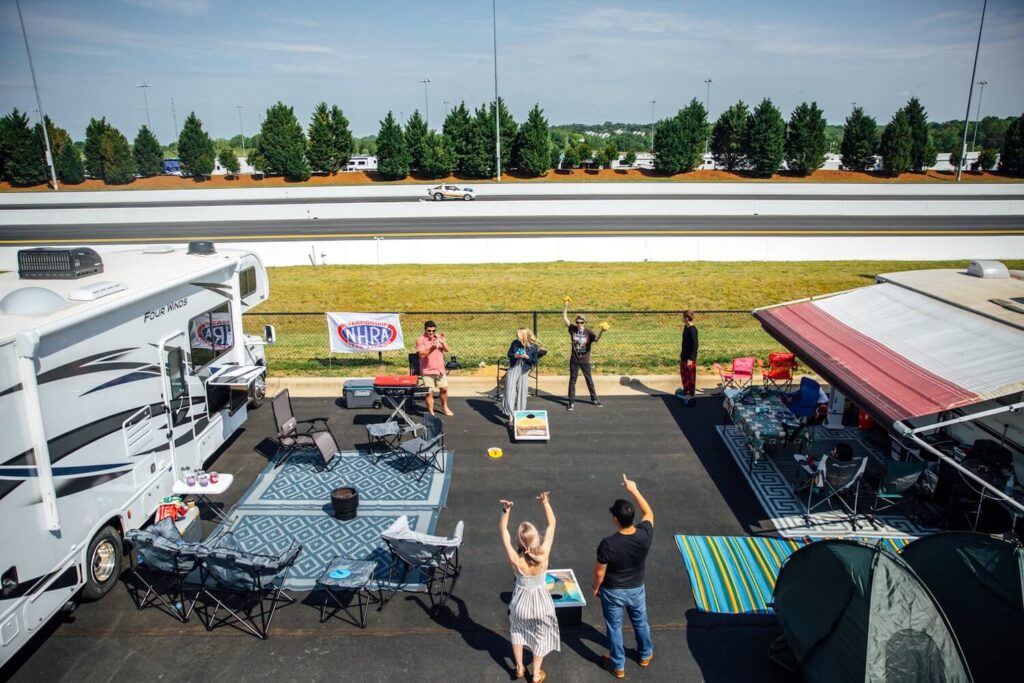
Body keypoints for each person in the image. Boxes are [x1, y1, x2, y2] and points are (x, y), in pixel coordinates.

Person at [592, 474, 654, 678]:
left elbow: (600, 572)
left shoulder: (608, 544)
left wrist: (595, 587)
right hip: (636, 588)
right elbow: (649, 512)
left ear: (615, 519)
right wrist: (633, 489)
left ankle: (618, 666)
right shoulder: (644, 533)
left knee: (614, 628)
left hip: (613, 591)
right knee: (640, 622)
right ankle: (645, 655)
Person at [500, 492, 559, 683]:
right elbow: (552, 524)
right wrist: (545, 502)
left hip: (521, 602)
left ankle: (518, 668)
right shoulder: (544, 554)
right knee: (540, 635)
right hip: (541, 601)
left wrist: (506, 511)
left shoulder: (516, 560)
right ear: (535, 538)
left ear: (519, 541)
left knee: (517, 630)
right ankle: (535, 674)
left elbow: (503, 531)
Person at [562, 300, 605, 411]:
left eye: (581, 322)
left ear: (584, 322)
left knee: (589, 380)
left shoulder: (589, 332)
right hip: (574, 360)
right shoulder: (572, 329)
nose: (579, 324)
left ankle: (594, 399)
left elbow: (597, 340)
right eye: (578, 322)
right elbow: (565, 319)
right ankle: (571, 402)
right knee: (573, 380)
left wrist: (602, 331)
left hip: (585, 360)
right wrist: (565, 306)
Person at [502, 328, 541, 427]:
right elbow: (509, 354)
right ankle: (510, 417)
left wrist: (528, 357)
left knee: (522, 393)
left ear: (524, 335)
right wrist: (515, 355)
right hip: (514, 369)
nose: (517, 337)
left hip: (524, 371)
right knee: (509, 392)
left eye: (518, 335)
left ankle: (520, 416)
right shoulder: (515, 343)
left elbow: (535, 360)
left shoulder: (533, 346)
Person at [415, 320, 454, 416]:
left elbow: (447, 350)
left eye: (433, 331)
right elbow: (422, 354)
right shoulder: (420, 340)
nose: (431, 333)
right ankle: (431, 412)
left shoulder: (437, 338)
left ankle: (444, 407)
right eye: (429, 331)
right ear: (425, 330)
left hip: (440, 369)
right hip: (428, 370)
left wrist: (443, 341)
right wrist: (432, 348)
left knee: (444, 389)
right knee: (429, 392)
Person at [679, 310, 698, 407]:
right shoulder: (686, 327)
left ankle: (691, 394)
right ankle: (685, 390)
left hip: (689, 358)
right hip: (684, 356)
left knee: (690, 377)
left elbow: (695, 345)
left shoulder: (692, 330)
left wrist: (691, 358)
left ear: (687, 318)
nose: (682, 319)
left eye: (683, 317)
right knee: (684, 375)